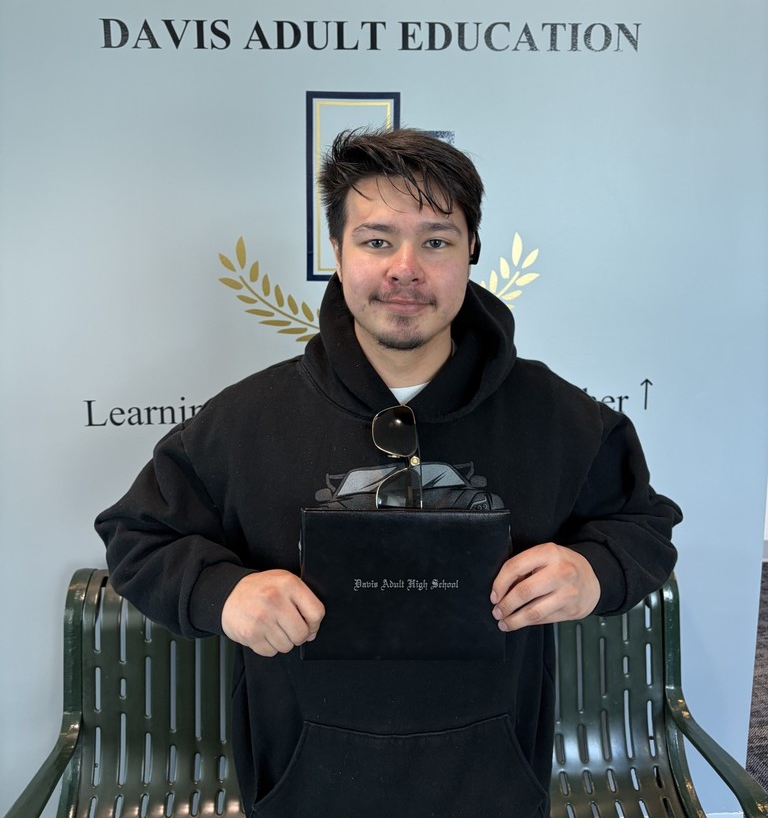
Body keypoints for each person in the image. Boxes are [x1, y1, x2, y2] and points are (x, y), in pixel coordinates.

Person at [96, 127, 681, 818]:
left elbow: (643, 527)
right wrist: (225, 595)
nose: (406, 267)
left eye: (436, 240)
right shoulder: (246, 420)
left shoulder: (558, 418)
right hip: (302, 786)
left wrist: (595, 573)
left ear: (471, 254)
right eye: (377, 240)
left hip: (492, 784)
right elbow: (137, 537)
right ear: (337, 256)